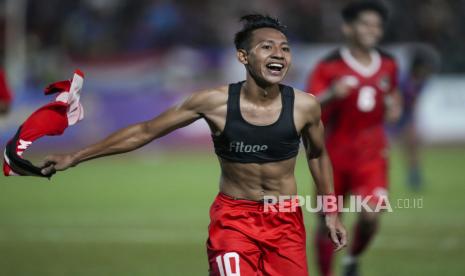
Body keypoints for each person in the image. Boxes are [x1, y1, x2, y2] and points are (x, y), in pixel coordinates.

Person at [41, 14, 347, 275]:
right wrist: (76, 156)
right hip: (235, 221)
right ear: (243, 56)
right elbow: (146, 131)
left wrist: (331, 212)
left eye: (285, 48)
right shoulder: (213, 102)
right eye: (267, 47)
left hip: (285, 221)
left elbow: (318, 155)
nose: (279, 54)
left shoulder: (305, 106)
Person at [305, 2, 401, 276]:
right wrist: (331, 94)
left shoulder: (389, 64)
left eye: (377, 25)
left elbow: (393, 96)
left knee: (371, 216)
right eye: (366, 24)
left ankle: (352, 258)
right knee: (327, 221)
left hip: (372, 154)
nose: (373, 30)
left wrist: (395, 106)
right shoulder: (329, 66)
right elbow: (309, 107)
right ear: (348, 28)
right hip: (333, 155)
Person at [391, 46, 437, 191]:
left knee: (413, 143)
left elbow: (415, 102)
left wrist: (413, 121)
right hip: (392, 114)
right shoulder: (402, 79)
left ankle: (414, 176)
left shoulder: (423, 81)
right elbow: (394, 98)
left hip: (407, 115)